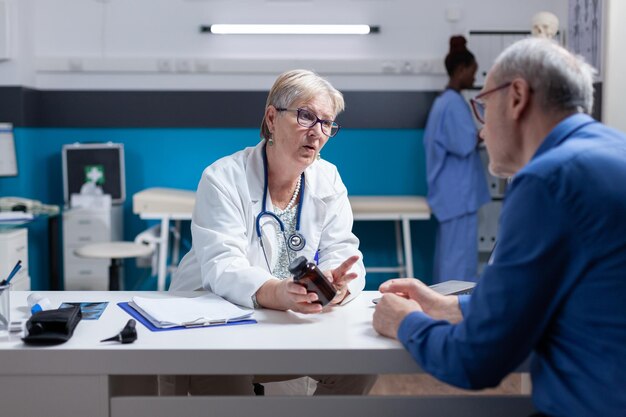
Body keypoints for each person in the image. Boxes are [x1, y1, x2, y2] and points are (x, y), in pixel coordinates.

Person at [373, 37, 626, 416]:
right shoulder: (609, 151)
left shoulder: (546, 180)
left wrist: (405, 322)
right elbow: (536, 297)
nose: (483, 126)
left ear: (517, 96)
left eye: (484, 106)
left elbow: (476, 359)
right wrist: (447, 307)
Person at [165, 69, 376, 395]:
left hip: (286, 318)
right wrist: (276, 292)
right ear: (272, 118)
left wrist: (337, 283)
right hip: (217, 315)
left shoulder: (327, 179)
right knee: (224, 373)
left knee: (358, 368)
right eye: (306, 116)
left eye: (327, 123)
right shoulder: (223, 178)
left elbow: (343, 249)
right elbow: (223, 266)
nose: (317, 132)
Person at [423, 35, 491, 283]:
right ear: (460, 70)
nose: (474, 78)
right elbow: (464, 144)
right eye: (472, 72)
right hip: (457, 196)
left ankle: (444, 309)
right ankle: (453, 313)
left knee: (450, 258)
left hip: (451, 195)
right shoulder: (452, 104)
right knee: (459, 264)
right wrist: (489, 131)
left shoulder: (446, 102)